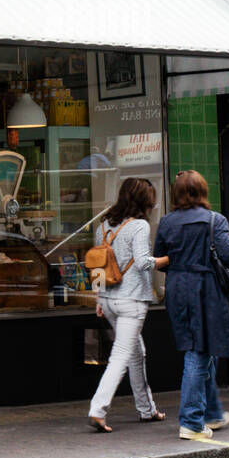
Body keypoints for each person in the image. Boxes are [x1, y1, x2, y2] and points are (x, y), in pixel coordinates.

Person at [154, 170, 229, 441]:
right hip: (205, 287)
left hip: (178, 287)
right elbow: (228, 255)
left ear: (176, 194)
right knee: (198, 352)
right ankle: (191, 421)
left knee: (203, 349)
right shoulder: (215, 220)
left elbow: (159, 256)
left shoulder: (166, 222)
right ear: (203, 191)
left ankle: (211, 412)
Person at [87, 178, 170, 433]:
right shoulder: (140, 226)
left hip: (110, 301)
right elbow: (145, 263)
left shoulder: (103, 226)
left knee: (136, 353)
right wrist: (170, 258)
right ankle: (98, 410)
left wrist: (100, 299)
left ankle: (147, 410)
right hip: (131, 301)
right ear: (144, 200)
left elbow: (98, 265)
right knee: (120, 357)